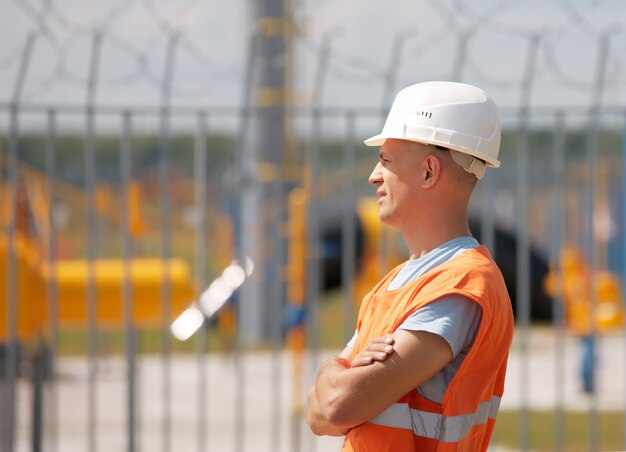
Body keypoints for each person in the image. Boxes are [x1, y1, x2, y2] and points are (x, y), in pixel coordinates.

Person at [306, 81, 514, 451]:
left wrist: (336, 373)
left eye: (385, 161)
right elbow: (316, 416)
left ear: (429, 172)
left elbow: (336, 407)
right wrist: (333, 372)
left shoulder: (462, 284)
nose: (373, 175)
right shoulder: (395, 282)